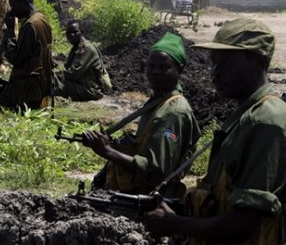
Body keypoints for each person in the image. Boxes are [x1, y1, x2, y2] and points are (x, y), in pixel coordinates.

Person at [101, 18, 286, 245]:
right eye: (214, 62)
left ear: (257, 61)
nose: (215, 72)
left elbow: (245, 224)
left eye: (226, 62)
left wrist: (174, 225)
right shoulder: (246, 117)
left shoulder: (267, 123)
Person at [83, 32, 200, 197]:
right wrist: (114, 145)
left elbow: (157, 171)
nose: (155, 72)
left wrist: (109, 152)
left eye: (163, 67)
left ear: (179, 70)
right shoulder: (159, 101)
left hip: (149, 199)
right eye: (151, 67)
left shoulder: (173, 111)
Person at [0, 0, 53, 112]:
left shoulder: (30, 26)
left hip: (28, 87)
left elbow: (16, 58)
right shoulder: (42, 19)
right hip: (41, 83)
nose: (13, 12)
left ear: (25, 2)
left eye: (15, 7)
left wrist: (10, 32)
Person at [52, 20, 111, 102]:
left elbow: (73, 73)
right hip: (83, 85)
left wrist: (56, 74)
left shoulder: (86, 48)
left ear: (81, 32)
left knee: (54, 80)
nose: (71, 35)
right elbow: (68, 67)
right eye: (68, 33)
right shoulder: (76, 48)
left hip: (92, 89)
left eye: (75, 32)